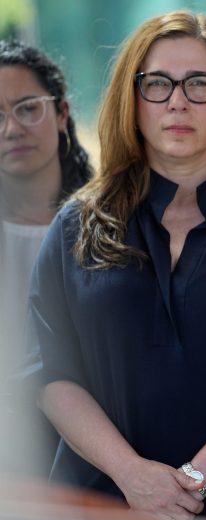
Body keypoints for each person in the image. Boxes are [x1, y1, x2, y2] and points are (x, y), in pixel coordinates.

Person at [28, 10, 206, 520]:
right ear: (132, 101)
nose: (177, 101)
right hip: (99, 510)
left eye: (199, 83)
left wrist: (192, 482)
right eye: (157, 84)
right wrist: (133, 477)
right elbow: (52, 371)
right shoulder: (74, 226)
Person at [0, 39, 92, 479]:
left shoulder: (112, 222)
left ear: (61, 112)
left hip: (93, 449)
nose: (12, 129)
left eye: (27, 109)